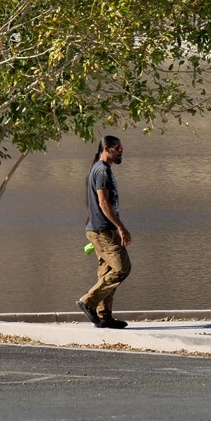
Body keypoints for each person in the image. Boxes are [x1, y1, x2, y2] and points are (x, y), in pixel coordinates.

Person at [77, 135, 131, 329]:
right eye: (119, 149)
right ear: (107, 149)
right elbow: (103, 203)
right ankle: (88, 301)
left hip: (101, 229)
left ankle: (104, 317)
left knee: (107, 272)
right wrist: (121, 227)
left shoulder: (101, 169)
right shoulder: (101, 171)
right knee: (122, 268)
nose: (121, 152)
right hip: (101, 230)